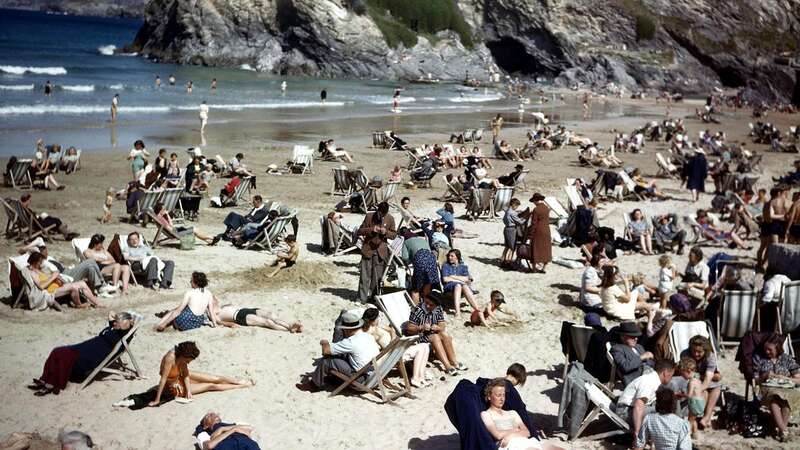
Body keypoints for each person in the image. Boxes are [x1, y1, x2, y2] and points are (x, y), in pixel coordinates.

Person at [115, 341, 251, 408]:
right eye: (188, 360)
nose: (189, 362)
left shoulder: (182, 359)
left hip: (180, 377)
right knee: (210, 386)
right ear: (184, 356)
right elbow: (162, 380)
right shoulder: (171, 358)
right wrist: (157, 399)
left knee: (215, 378)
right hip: (173, 385)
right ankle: (239, 387)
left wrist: (189, 392)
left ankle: (238, 381)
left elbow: (185, 374)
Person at [30, 311, 135, 395]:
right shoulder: (114, 328)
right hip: (86, 347)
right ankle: (44, 380)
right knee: (57, 350)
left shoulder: (121, 333)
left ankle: (51, 384)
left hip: (90, 355)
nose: (114, 322)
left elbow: (126, 327)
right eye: (115, 321)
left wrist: (125, 322)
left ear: (123, 324)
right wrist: (117, 319)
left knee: (61, 354)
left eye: (117, 322)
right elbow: (111, 313)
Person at [297, 311, 380, 391]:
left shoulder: (351, 341)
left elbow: (326, 351)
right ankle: (333, 379)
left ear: (347, 330)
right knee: (344, 356)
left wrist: (324, 342)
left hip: (362, 380)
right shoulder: (368, 337)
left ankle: (313, 385)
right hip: (376, 377)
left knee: (327, 361)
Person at [362, 307, 430, 388]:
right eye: (377, 317)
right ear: (373, 319)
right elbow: (375, 348)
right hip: (392, 353)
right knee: (421, 349)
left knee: (425, 346)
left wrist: (393, 339)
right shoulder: (370, 332)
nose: (379, 319)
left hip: (397, 347)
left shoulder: (378, 325)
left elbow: (391, 330)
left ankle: (421, 377)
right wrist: (392, 343)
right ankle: (415, 378)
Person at [753, 335, 800, 442]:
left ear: (777, 347)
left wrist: (784, 378)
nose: (767, 352)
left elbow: (798, 380)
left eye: (770, 349)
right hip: (767, 389)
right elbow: (754, 380)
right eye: (765, 349)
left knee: (785, 401)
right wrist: (763, 376)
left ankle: (781, 430)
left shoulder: (787, 359)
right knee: (774, 400)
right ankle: (783, 430)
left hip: (786, 389)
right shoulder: (760, 359)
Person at [406, 294, 466, 376]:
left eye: (431, 305)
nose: (427, 306)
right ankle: (447, 366)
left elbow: (442, 325)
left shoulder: (438, 309)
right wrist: (420, 327)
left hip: (432, 333)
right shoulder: (417, 310)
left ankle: (454, 361)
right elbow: (409, 329)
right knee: (435, 337)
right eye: (426, 302)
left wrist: (438, 327)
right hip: (418, 336)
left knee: (445, 335)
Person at [615, 359, 676, 440]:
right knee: (663, 411)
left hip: (629, 410)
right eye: (671, 375)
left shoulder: (653, 380)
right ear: (665, 373)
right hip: (625, 412)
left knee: (666, 406)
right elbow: (639, 405)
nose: (671, 378)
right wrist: (637, 432)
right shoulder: (649, 381)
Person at [480, 378, 541, 450]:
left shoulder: (512, 413)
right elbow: (498, 435)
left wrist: (510, 436)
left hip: (524, 441)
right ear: (489, 396)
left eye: (503, 395)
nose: (502, 399)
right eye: (498, 395)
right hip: (509, 446)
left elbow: (527, 432)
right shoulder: (486, 414)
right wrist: (516, 430)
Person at [356, 202, 396, 303]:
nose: (381, 216)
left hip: (381, 251)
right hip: (368, 249)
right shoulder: (369, 216)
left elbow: (394, 235)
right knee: (365, 276)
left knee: (377, 278)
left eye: (383, 214)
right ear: (377, 210)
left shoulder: (390, 218)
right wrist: (371, 230)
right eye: (380, 213)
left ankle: (373, 299)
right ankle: (361, 299)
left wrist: (385, 232)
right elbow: (360, 231)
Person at [679, 335, 722, 429]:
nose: (696, 354)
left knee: (717, 383)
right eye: (693, 350)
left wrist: (700, 389)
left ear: (705, 351)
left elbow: (708, 378)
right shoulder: (685, 354)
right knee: (706, 388)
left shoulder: (710, 356)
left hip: (702, 377)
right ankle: (702, 418)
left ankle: (706, 417)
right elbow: (685, 372)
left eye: (699, 352)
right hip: (691, 377)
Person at [156, 272, 220, 332]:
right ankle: (164, 323)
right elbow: (211, 311)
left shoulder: (190, 293)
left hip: (184, 323)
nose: (190, 282)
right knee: (186, 309)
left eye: (191, 281)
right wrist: (215, 324)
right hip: (197, 323)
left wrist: (165, 323)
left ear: (196, 283)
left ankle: (161, 324)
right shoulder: (209, 293)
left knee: (174, 310)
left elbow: (178, 311)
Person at [212, 297, 302, 333]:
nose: (214, 299)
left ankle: (290, 326)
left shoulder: (223, 305)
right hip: (240, 317)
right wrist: (231, 325)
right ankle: (290, 329)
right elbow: (220, 322)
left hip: (246, 310)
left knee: (271, 315)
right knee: (267, 322)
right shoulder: (214, 314)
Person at [610, 322, 654, 386]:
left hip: (651, 373)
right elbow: (625, 367)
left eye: (636, 336)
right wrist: (642, 357)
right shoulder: (617, 349)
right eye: (632, 337)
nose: (636, 339)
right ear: (622, 337)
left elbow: (650, 363)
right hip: (638, 379)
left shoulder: (639, 346)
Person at [442, 249, 481, 319]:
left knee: (463, 286)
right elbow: (445, 279)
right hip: (449, 287)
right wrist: (460, 279)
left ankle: (477, 309)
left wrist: (453, 277)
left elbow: (467, 279)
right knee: (459, 285)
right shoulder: (446, 266)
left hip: (462, 286)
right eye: (449, 256)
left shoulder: (463, 267)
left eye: (452, 256)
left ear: (457, 257)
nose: (449, 257)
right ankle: (457, 312)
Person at [194, 412, 261, 450]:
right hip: (226, 446)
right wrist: (232, 430)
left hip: (246, 442)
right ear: (205, 426)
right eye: (209, 416)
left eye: (214, 414)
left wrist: (223, 429)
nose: (213, 415)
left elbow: (249, 427)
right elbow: (209, 446)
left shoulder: (229, 425)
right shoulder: (204, 433)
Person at [676, 357, 706, 439]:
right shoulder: (697, 379)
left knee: (690, 421)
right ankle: (695, 434)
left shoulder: (691, 382)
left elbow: (689, 395)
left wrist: (680, 394)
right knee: (693, 418)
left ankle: (685, 436)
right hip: (700, 402)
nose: (682, 376)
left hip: (695, 403)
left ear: (688, 371)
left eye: (682, 374)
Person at [527, 193, 551, 273]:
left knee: (535, 248)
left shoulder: (536, 209)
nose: (533, 203)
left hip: (538, 231)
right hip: (546, 230)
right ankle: (544, 268)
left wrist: (530, 235)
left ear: (536, 200)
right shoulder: (546, 208)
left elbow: (534, 223)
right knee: (546, 249)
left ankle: (534, 268)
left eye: (533, 201)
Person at [502, 198, 528, 267]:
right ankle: (509, 261)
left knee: (507, 246)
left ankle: (503, 260)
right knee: (512, 247)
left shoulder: (507, 210)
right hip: (511, 230)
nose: (516, 208)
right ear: (513, 204)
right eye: (516, 206)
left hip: (506, 228)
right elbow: (520, 222)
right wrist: (525, 218)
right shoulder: (512, 213)